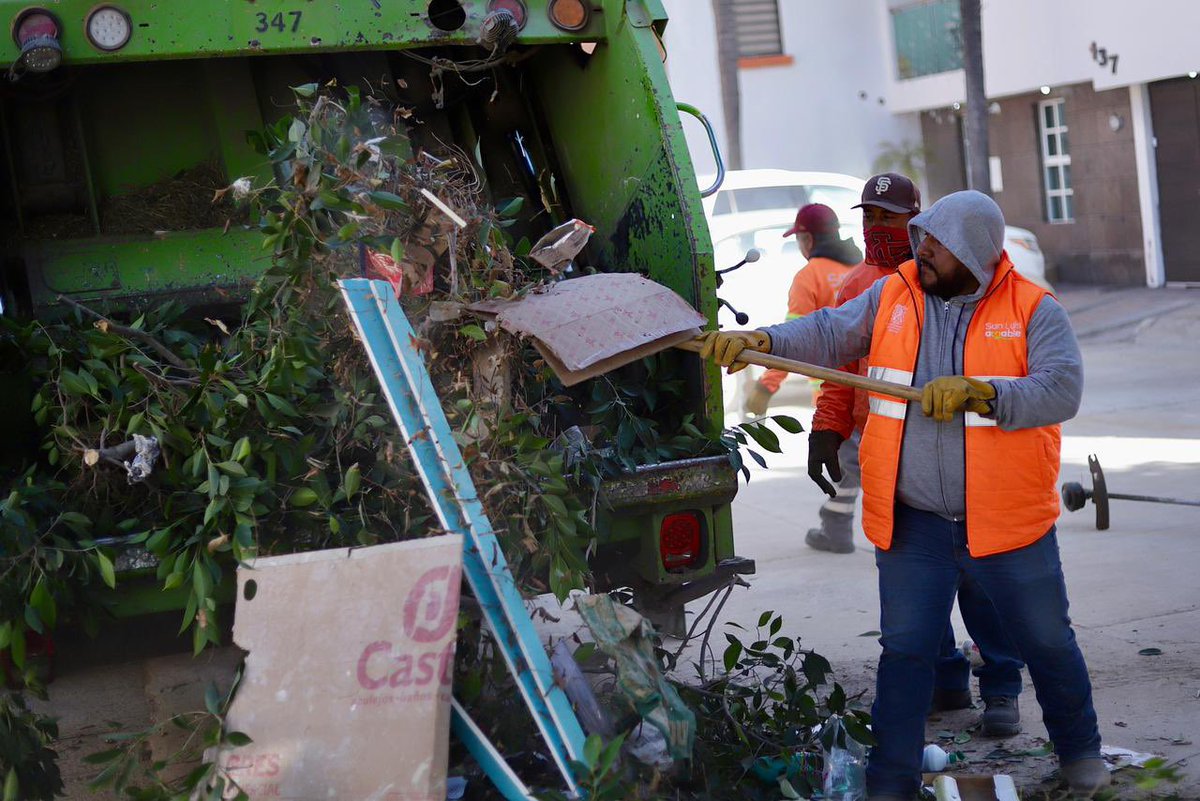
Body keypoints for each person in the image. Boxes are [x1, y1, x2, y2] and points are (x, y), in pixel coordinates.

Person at [699, 190, 1107, 800]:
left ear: (973, 249)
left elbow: (1061, 389)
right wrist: (761, 341)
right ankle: (890, 782)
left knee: (1047, 642)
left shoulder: (1033, 307)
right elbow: (829, 331)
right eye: (923, 242)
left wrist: (985, 392)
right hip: (914, 523)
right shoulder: (898, 292)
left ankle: (1081, 754)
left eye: (936, 245)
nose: (922, 254)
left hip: (1007, 522)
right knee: (907, 651)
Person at [808, 175, 1026, 740]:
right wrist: (827, 426)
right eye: (869, 216)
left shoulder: (950, 280)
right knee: (916, 588)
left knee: (981, 581)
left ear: (918, 220)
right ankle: (947, 678)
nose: (878, 228)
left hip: (965, 457)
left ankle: (1001, 686)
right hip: (891, 459)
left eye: (889, 216)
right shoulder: (859, 286)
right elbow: (839, 363)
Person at [742, 203, 861, 418]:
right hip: (869, 392)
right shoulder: (863, 269)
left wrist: (766, 387)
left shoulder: (808, 277)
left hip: (831, 399)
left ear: (808, 239)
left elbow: (795, 340)